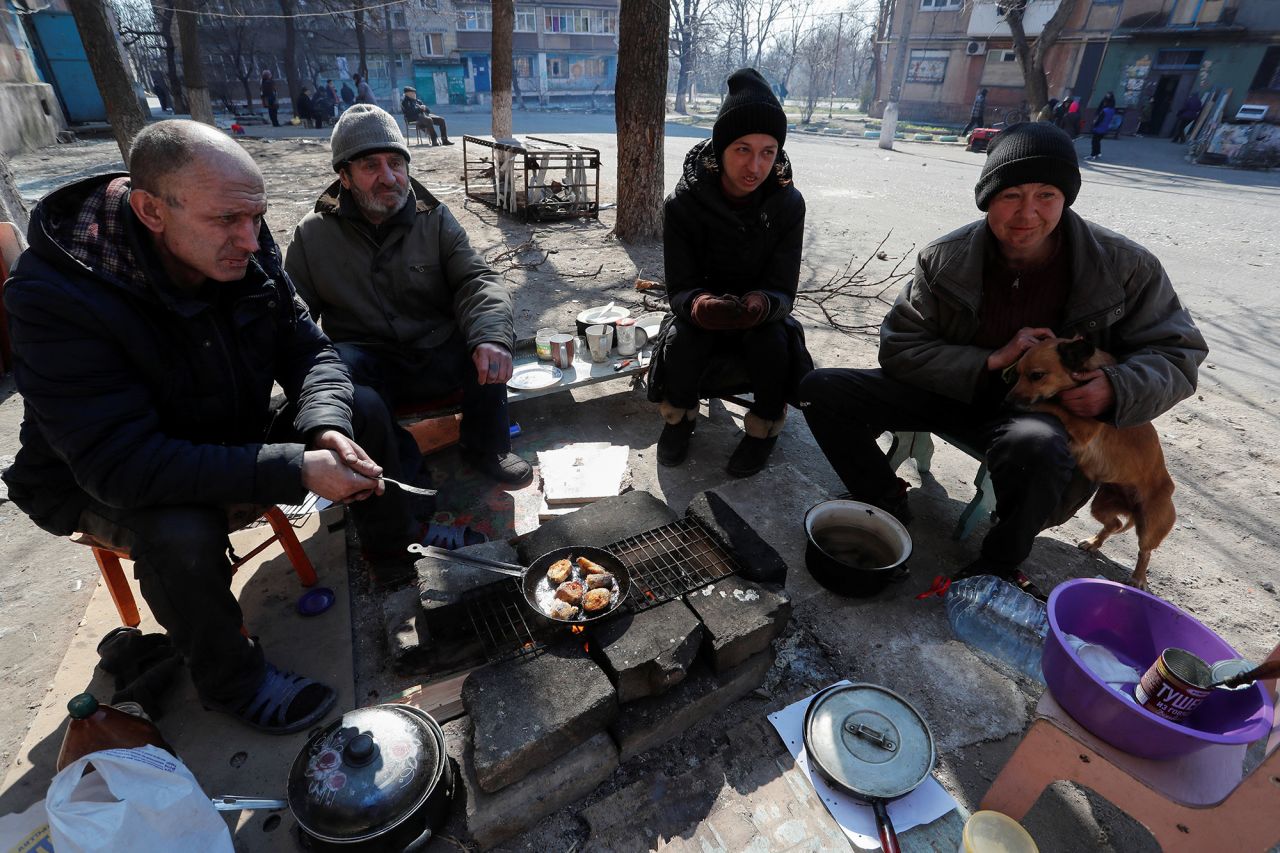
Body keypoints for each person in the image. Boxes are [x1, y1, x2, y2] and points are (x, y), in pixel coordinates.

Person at [1, 120, 444, 735]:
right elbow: (121, 465)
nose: (250, 238)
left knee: (360, 406)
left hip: (222, 426)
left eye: (256, 217)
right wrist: (293, 468)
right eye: (227, 221)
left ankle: (393, 561)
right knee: (179, 528)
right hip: (95, 477)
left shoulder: (244, 245)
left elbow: (311, 353)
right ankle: (233, 681)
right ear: (151, 210)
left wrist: (323, 429)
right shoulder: (55, 298)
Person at [798, 123, 1206, 597]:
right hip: (953, 390)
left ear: (1066, 199)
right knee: (819, 390)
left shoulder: (1124, 266)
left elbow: (1178, 354)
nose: (1027, 214)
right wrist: (991, 360)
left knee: (1038, 448)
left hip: (1044, 415)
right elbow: (900, 348)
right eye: (1011, 195)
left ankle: (998, 561)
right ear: (988, 197)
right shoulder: (945, 258)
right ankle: (883, 496)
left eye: (1047, 195)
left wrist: (1115, 386)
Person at [285, 105, 532, 489]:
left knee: (486, 337)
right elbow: (293, 321)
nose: (389, 177)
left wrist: (490, 337)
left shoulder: (433, 218)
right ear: (344, 177)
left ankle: (488, 447)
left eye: (396, 163)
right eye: (370, 165)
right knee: (346, 379)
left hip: (434, 352)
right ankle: (399, 470)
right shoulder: (313, 235)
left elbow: (477, 280)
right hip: (368, 360)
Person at [647, 68, 813, 478]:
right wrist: (702, 306)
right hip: (701, 309)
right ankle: (679, 420)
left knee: (774, 341)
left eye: (768, 151)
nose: (754, 166)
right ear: (720, 148)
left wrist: (762, 304)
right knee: (683, 340)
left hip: (761, 314)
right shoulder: (683, 205)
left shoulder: (788, 204)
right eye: (742, 149)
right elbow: (680, 287)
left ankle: (763, 429)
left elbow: (783, 288)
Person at [1087, 92, 1116, 161]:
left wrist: (1093, 125)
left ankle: (1093, 155)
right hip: (1105, 128)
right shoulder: (1112, 110)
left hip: (1099, 128)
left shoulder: (1104, 110)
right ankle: (1098, 153)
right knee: (1098, 141)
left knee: (1094, 141)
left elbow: (1099, 120)